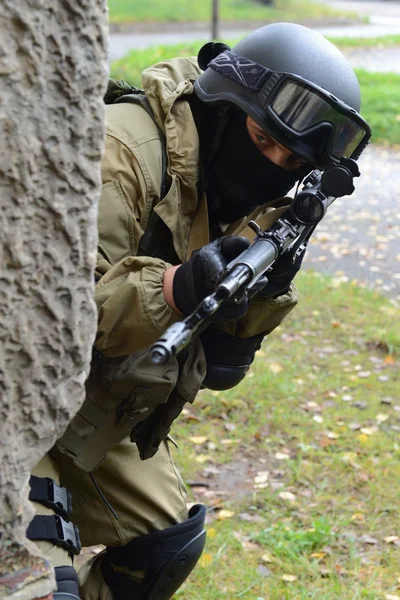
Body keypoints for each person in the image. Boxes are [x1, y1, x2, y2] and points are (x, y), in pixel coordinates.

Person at [27, 22, 371, 600]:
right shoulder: (119, 154)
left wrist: (268, 289)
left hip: (85, 398)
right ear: (223, 109)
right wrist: (175, 288)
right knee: (37, 584)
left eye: (289, 159)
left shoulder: (238, 196)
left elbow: (222, 367)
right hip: (18, 387)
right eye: (261, 138)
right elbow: (51, 320)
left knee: (160, 551)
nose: (270, 163)